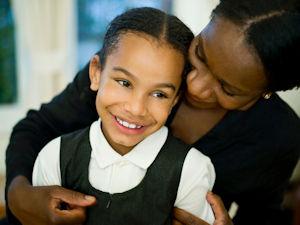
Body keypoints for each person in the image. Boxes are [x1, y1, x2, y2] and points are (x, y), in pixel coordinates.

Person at [4, 0, 300, 224]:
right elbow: (36, 128)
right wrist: (20, 197)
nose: (195, 86)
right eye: (200, 53)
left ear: (265, 92)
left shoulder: (277, 137)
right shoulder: (140, 62)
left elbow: (264, 216)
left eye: (228, 89)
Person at [31, 7, 216, 225]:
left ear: (175, 99)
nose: (137, 109)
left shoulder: (191, 170)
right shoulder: (54, 157)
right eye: (125, 83)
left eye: (159, 94)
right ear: (96, 73)